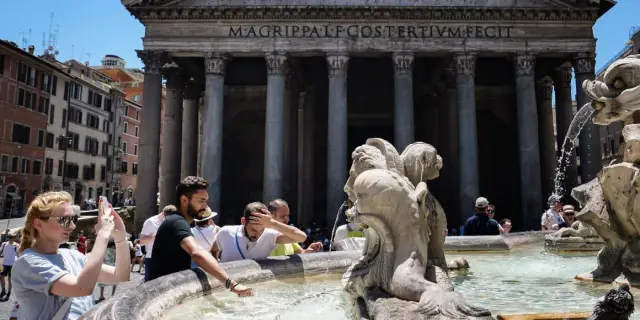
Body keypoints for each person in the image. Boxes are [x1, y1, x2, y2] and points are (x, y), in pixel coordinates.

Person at [11, 191, 130, 319]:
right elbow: (82, 288)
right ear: (39, 224)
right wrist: (103, 234)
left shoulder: (73, 255)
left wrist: (121, 238)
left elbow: (121, 275)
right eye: (64, 220)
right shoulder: (29, 263)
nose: (72, 226)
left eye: (73, 219)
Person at [147, 176, 253, 297]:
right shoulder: (177, 222)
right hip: (161, 295)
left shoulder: (177, 221)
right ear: (184, 200)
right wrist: (232, 284)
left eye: (206, 201)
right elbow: (196, 252)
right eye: (201, 201)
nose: (205, 206)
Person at [212, 202, 308, 263]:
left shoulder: (270, 235)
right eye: (253, 230)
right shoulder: (225, 232)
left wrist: (272, 223)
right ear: (243, 222)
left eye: (261, 230)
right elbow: (213, 250)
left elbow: (301, 237)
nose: (257, 235)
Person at [139, 205, 175, 282]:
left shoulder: (170, 222)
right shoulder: (151, 222)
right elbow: (141, 241)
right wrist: (154, 237)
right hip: (153, 259)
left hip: (167, 258)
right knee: (151, 284)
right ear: (163, 214)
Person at [0, 234, 18, 301]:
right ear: (8, 238)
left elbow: (18, 254)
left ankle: (9, 293)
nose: (11, 239)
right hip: (5, 264)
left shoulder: (16, 245)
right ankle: (3, 290)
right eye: (10, 237)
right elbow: (0, 251)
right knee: (1, 277)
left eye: (13, 238)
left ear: (15, 238)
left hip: (13, 265)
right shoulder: (4, 244)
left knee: (10, 280)